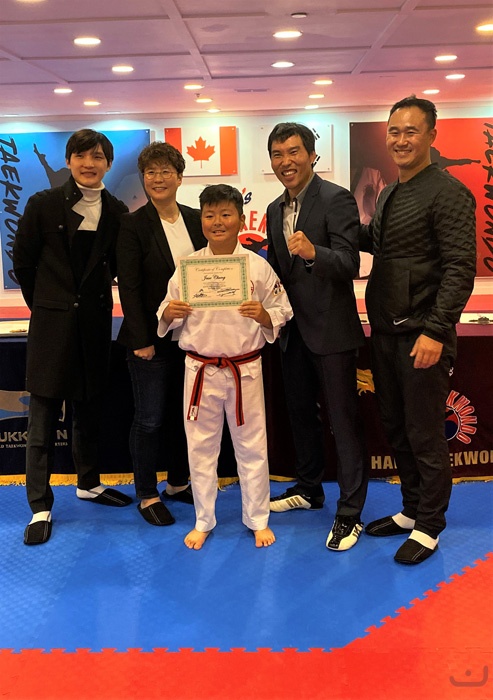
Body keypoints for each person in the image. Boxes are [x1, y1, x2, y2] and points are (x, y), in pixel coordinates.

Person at [360, 96, 476, 564]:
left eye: (411, 131)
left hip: (422, 336)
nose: (401, 139)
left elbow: (460, 269)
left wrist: (435, 330)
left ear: (431, 135)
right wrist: (322, 235)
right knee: (395, 427)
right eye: (394, 131)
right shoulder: (390, 192)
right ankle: (411, 509)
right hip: (386, 331)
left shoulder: (448, 192)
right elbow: (376, 242)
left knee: (424, 432)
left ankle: (429, 524)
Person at [157, 184, 293, 550]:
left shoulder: (257, 266)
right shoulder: (187, 267)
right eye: (210, 215)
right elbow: (165, 310)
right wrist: (169, 313)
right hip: (200, 369)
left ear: (240, 220)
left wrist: (264, 315)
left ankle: (258, 519)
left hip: (244, 369)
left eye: (226, 214)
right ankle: (204, 519)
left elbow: (283, 309)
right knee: (200, 447)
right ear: (201, 220)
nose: (217, 222)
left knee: (252, 446)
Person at [13, 129, 132, 546]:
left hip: (95, 324)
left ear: (108, 164)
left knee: (89, 411)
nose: (88, 163)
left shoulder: (116, 211)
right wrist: (49, 306)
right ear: (68, 161)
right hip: (51, 325)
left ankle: (89, 483)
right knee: (42, 419)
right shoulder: (43, 204)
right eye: (80, 155)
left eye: (97, 156)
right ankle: (39, 505)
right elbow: (23, 264)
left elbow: (120, 267)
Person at [266, 122, 369, 552]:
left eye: (294, 152)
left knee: (343, 423)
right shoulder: (273, 208)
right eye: (277, 154)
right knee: (300, 415)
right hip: (291, 332)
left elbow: (350, 262)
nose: (285, 161)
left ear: (312, 155)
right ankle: (310, 489)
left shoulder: (336, 198)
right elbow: (277, 273)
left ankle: (350, 512)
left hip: (332, 332)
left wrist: (314, 254)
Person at [116, 142, 206, 526]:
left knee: (185, 418)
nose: (158, 178)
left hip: (194, 339)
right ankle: (147, 493)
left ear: (179, 177)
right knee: (150, 419)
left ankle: (178, 482)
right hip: (151, 341)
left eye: (166, 171)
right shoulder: (132, 225)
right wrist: (142, 339)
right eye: (150, 172)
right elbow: (129, 286)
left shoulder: (196, 219)